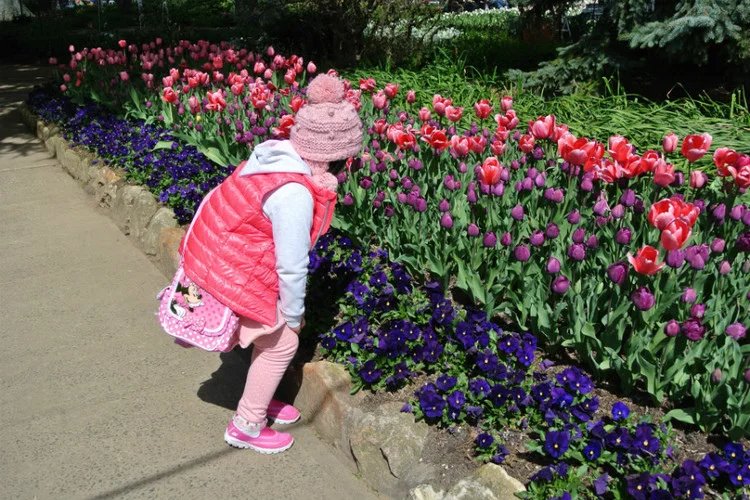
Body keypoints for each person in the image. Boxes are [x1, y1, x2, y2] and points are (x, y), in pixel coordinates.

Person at [179, 73, 363, 453]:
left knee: (268, 333)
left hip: (221, 256)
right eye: (348, 160)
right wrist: (293, 316)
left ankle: (260, 400)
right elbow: (292, 266)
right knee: (282, 341)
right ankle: (246, 424)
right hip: (231, 270)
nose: (349, 169)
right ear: (333, 157)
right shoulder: (295, 193)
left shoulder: (273, 158)